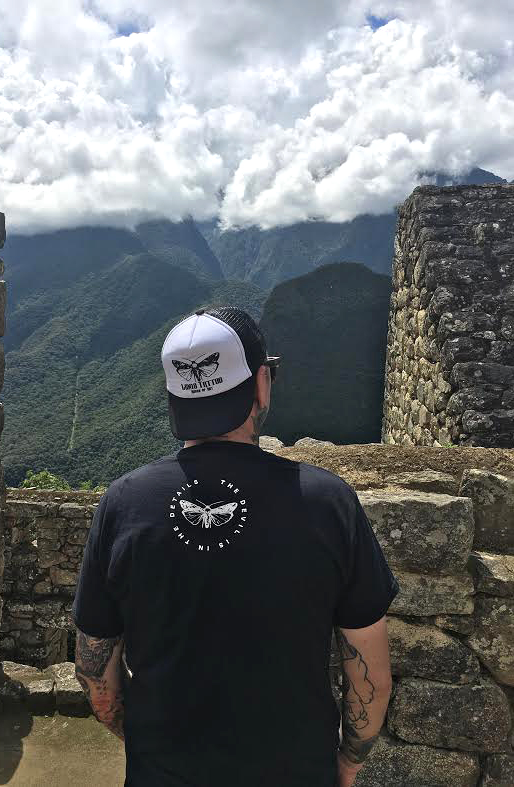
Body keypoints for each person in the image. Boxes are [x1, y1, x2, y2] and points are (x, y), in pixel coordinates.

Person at [72, 306, 399, 787]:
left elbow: (95, 675)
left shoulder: (122, 505)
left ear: (173, 398)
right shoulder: (328, 504)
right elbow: (371, 677)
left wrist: (146, 743)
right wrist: (349, 762)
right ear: (261, 384)